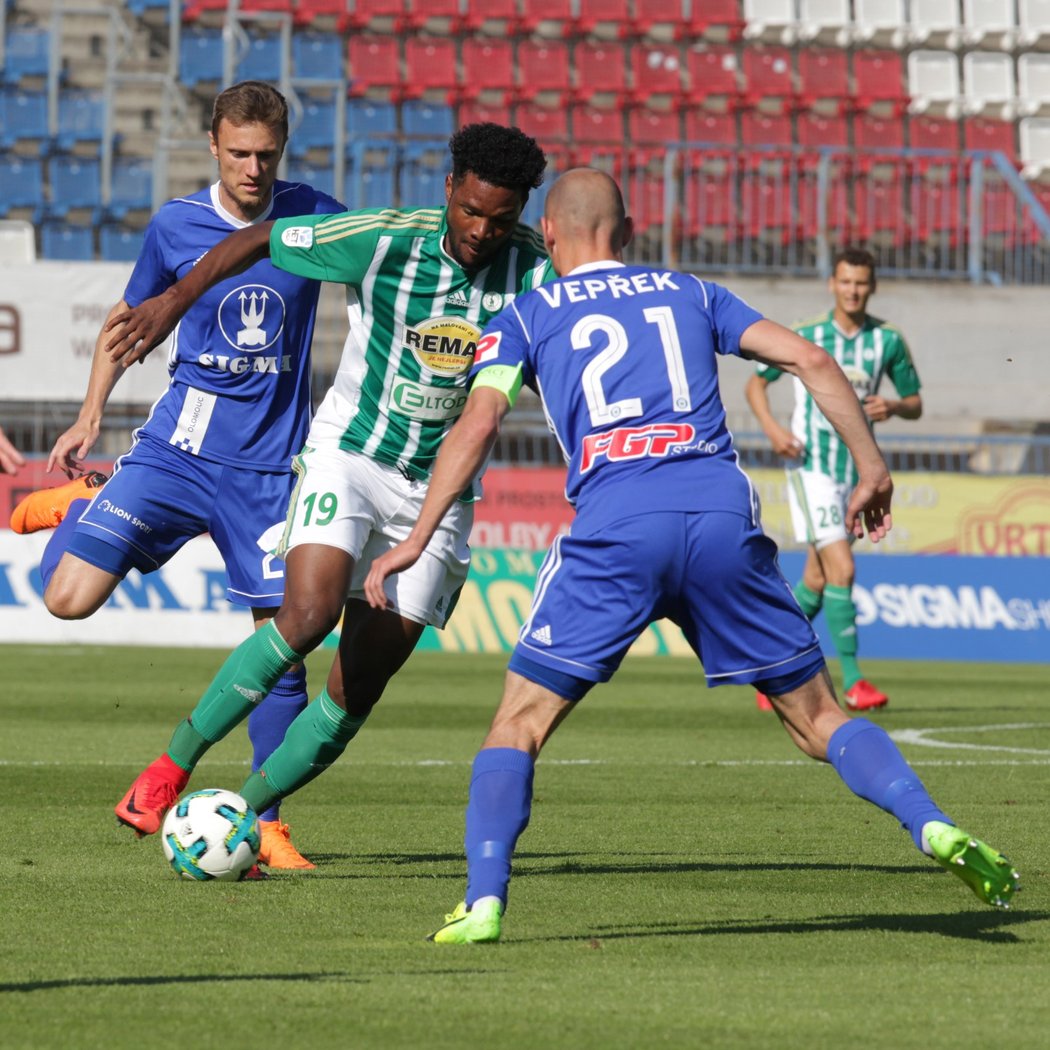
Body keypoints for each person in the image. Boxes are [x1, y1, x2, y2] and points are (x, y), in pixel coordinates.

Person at [363, 169, 1018, 944]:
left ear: (553, 236)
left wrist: (415, 534)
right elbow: (811, 359)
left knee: (519, 724)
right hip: (717, 516)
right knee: (817, 716)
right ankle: (932, 824)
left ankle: (483, 901)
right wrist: (872, 466)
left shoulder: (526, 312)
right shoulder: (690, 291)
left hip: (616, 525)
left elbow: (479, 421)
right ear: (629, 232)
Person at [104, 123, 553, 852]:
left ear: (522, 212)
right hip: (350, 458)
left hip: (437, 498)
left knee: (356, 689)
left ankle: (240, 817)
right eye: (471, 211)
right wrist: (174, 302)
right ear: (450, 190)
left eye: (500, 219)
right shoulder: (384, 239)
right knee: (307, 613)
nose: (481, 231)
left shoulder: (535, 272)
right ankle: (171, 765)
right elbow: (259, 238)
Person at [9, 81, 344, 869]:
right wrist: (91, 415)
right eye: (238, 154)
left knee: (283, 645)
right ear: (212, 147)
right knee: (65, 601)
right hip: (176, 452)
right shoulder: (175, 226)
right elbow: (126, 324)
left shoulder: (317, 215)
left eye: (266, 155)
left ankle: (269, 827)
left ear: (283, 150)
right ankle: (79, 507)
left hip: (268, 470)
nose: (253, 170)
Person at [744, 247, 922, 713]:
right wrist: (773, 429)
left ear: (873, 285)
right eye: (846, 282)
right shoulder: (807, 335)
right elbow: (756, 383)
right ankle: (855, 682)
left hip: (855, 475)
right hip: (812, 469)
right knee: (843, 569)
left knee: (819, 580)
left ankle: (771, 673)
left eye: (861, 283)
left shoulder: (888, 341)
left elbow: (915, 400)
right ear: (833, 284)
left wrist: (895, 406)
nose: (853, 290)